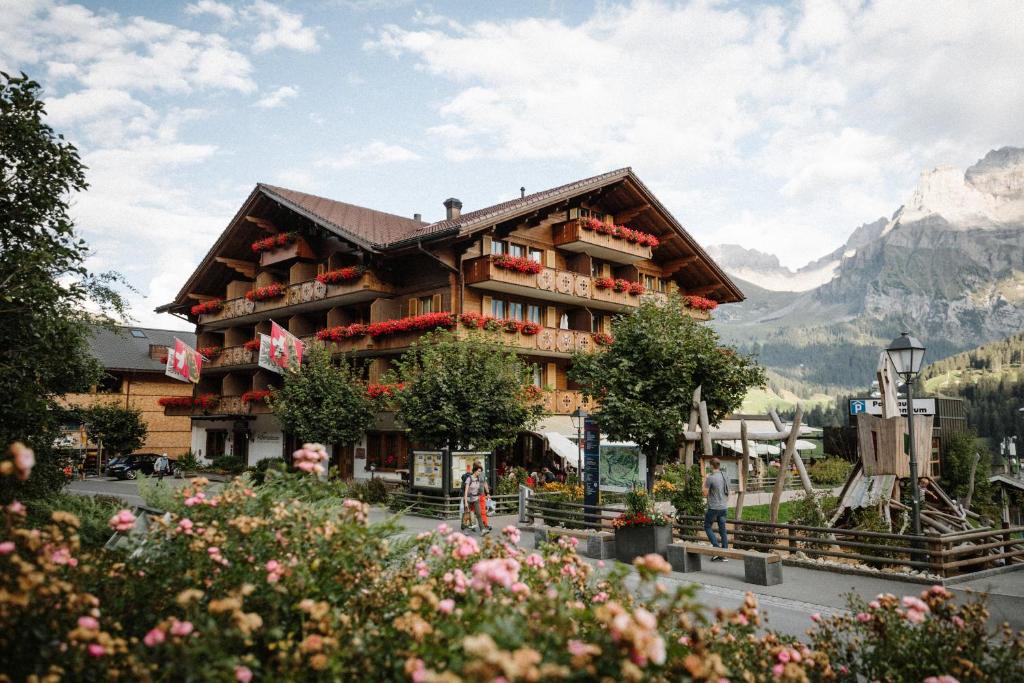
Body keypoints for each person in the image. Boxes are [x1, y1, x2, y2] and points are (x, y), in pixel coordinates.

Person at [703, 458, 730, 561]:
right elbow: (728, 492)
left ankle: (716, 549)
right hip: (723, 507)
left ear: (711, 466)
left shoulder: (711, 478)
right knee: (723, 530)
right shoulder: (725, 476)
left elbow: (704, 493)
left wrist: (705, 479)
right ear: (719, 465)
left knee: (707, 526)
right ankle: (724, 554)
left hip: (713, 507)